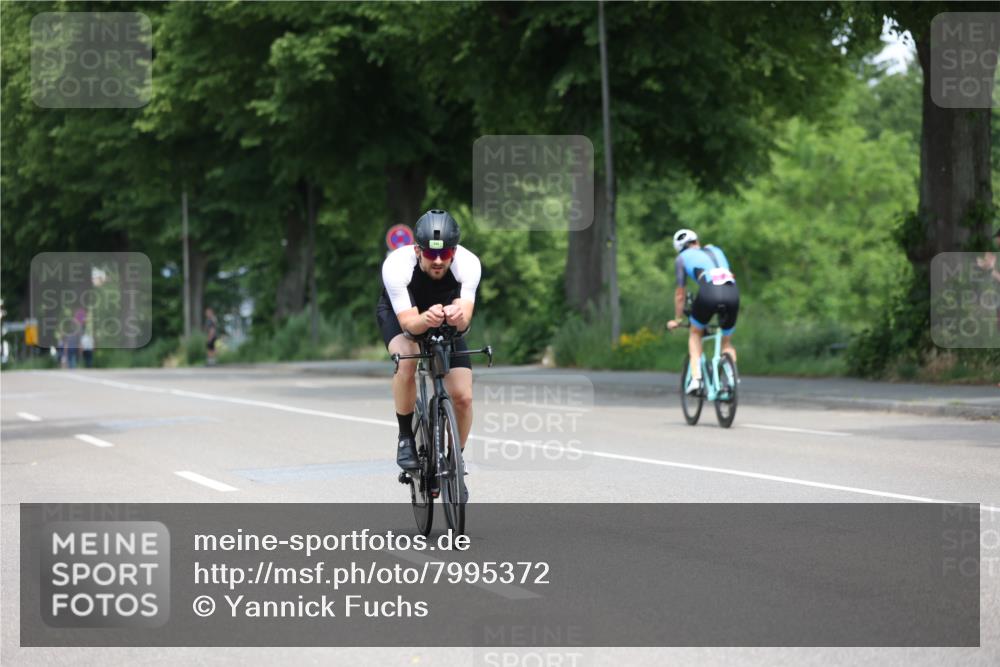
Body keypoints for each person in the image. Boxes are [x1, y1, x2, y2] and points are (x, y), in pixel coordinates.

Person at [376, 209, 481, 471]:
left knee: (463, 397)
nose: (438, 260)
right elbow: (410, 325)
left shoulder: (468, 264)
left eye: (445, 253)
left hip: (444, 317)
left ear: (454, 252)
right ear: (417, 250)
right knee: (407, 361)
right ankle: (405, 438)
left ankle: (455, 460)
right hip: (403, 314)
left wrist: (457, 317)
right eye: (431, 254)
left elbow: (465, 321)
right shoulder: (397, 265)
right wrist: (425, 319)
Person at [667, 229, 740, 395]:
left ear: (679, 248)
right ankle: (732, 379)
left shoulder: (681, 258)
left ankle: (696, 380)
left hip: (709, 293)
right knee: (727, 342)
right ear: (697, 242)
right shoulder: (716, 250)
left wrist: (677, 319)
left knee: (695, 333)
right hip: (732, 293)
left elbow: (680, 295)